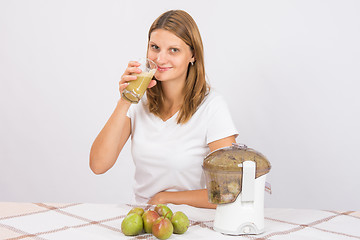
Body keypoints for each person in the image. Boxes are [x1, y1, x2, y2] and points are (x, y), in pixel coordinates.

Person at [89, 10, 238, 209]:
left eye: (173, 50)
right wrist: (125, 101)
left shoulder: (212, 107)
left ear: (193, 55)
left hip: (189, 223)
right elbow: (98, 165)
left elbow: (229, 190)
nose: (160, 58)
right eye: (155, 47)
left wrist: (166, 198)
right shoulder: (139, 102)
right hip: (142, 219)